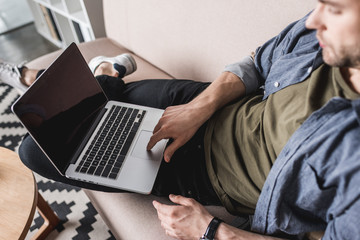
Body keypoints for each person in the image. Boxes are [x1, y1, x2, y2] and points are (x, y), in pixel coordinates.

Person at [1, 0, 360, 238]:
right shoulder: (323, 39)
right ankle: (105, 76)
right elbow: (256, 62)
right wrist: (198, 108)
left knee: (34, 151)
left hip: (200, 171)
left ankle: (101, 72)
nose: (315, 19)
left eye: (336, 9)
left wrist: (211, 230)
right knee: (99, 107)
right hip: (202, 104)